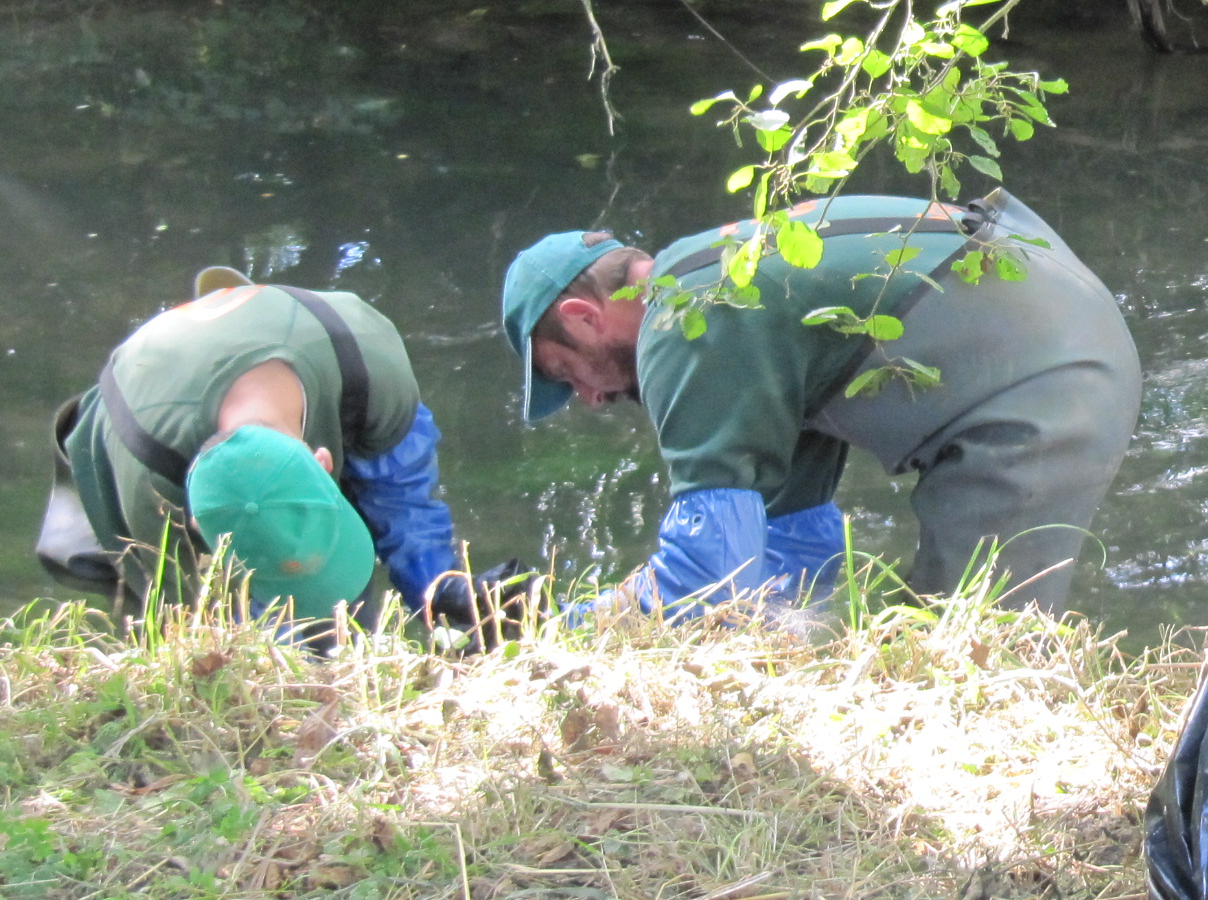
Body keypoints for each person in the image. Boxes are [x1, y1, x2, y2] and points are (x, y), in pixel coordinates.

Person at [501, 189, 1140, 618]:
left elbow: (710, 576)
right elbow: (793, 545)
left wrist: (563, 626)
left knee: (971, 650)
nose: (588, 399)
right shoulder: (729, 293)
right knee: (925, 637)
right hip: (1056, 305)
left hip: (1041, 375)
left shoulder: (683, 324)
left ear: (583, 318)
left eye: (567, 372)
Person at [40, 267, 518, 638]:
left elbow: (402, 500)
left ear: (323, 461)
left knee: (341, 619)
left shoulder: (368, 365)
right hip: (130, 419)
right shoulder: (145, 489)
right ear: (196, 522)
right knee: (190, 629)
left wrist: (442, 588)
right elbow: (194, 632)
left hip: (292, 351)